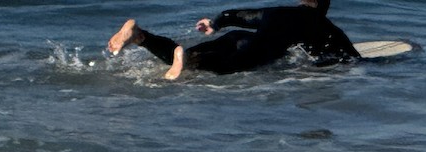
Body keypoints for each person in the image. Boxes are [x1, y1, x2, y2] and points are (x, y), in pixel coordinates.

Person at [107, 0, 359, 80]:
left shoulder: (278, 11)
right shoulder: (324, 25)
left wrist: (216, 22)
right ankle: (178, 56)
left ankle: (141, 36)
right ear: (324, 7)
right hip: (256, 50)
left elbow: (238, 15)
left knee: (191, 57)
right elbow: (351, 58)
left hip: (236, 37)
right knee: (210, 68)